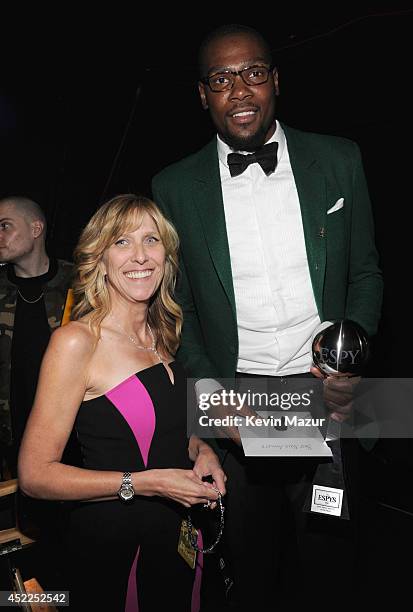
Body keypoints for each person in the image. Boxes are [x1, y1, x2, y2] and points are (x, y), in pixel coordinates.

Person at [152, 24, 383, 610]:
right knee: (250, 574)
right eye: (221, 79)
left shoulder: (339, 158)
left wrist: (348, 354)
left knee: (331, 566)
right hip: (241, 404)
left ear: (276, 80)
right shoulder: (173, 187)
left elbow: (365, 274)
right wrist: (216, 399)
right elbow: (180, 312)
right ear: (202, 95)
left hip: (322, 398)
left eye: (254, 72)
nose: (241, 90)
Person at [18, 194, 226, 612]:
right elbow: (35, 476)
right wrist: (144, 482)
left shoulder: (161, 334)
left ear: (167, 257)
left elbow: (168, 430)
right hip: (114, 548)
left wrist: (202, 450)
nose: (140, 256)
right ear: (100, 257)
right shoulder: (77, 341)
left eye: (151, 240)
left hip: (177, 535)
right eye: (122, 242)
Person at [0, 196, 73, 478]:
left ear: (36, 228)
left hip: (76, 434)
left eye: (5, 226)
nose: (0, 235)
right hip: (13, 435)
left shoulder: (79, 282)